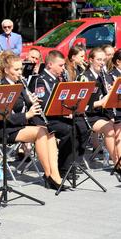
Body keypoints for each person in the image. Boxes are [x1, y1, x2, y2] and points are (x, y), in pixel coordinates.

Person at [0, 51, 64, 190]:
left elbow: (24, 104)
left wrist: (31, 101)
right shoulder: (3, 87)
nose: (20, 72)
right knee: (41, 132)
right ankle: (48, 173)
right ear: (6, 70)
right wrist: (27, 115)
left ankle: (55, 173)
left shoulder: (20, 83)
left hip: (21, 125)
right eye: (16, 69)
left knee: (49, 132)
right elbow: (3, 117)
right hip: (6, 129)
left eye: (21, 69)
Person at [34, 50, 90, 179]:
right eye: (60, 65)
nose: (63, 68)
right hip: (48, 119)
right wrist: (65, 113)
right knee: (69, 130)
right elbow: (46, 105)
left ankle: (72, 163)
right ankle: (62, 168)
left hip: (60, 115)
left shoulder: (60, 78)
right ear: (50, 65)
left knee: (83, 127)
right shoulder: (41, 80)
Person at [80, 47, 121, 173]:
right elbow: (82, 105)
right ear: (90, 60)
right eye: (98, 59)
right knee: (109, 128)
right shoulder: (84, 77)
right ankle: (117, 163)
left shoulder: (106, 76)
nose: (102, 62)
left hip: (104, 114)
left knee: (119, 125)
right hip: (90, 115)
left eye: (103, 60)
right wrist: (101, 102)